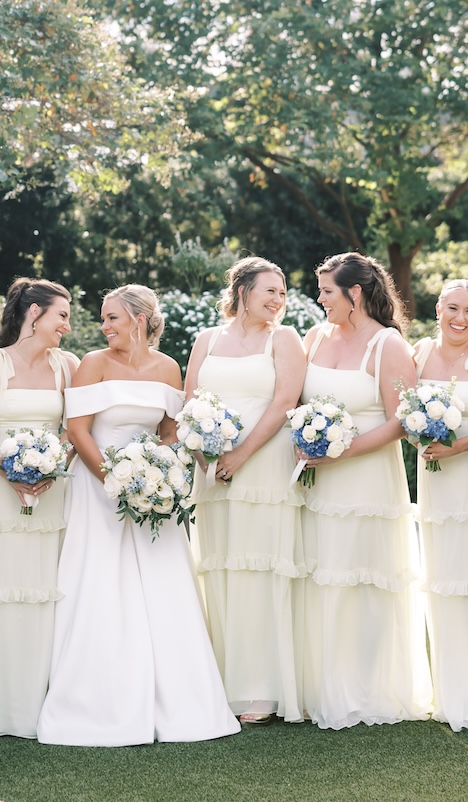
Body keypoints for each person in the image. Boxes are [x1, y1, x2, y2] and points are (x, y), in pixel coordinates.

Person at [37, 284, 240, 746]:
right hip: (98, 489)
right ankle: (96, 701)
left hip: (153, 493)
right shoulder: (93, 364)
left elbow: (168, 432)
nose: (103, 326)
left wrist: (158, 472)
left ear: (140, 320)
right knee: (100, 582)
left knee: (163, 584)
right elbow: (78, 432)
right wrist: (114, 479)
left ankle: (178, 700)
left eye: (112, 317)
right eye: (103, 318)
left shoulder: (167, 367)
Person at [299, 252, 432, 729]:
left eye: (327, 291)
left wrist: (343, 451)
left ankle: (368, 687)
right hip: (318, 480)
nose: (320, 299)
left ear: (354, 293)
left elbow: (402, 420)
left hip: (367, 477)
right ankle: (323, 683)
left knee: (364, 577)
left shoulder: (388, 345)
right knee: (323, 574)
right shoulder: (314, 337)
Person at [184, 257, 306, 725]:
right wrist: (205, 456)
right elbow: (190, 400)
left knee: (259, 566)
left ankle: (261, 686)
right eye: (269, 290)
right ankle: (222, 679)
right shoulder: (206, 339)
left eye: (282, 292)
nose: (278, 299)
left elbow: (285, 402)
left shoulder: (284, 338)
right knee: (221, 565)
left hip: (263, 465)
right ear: (242, 291)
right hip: (212, 468)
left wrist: (240, 456)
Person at [0, 278, 78, 738]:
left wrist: (53, 466)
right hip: (0, 492)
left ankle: (47, 700)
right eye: (61, 316)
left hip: (51, 493)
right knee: (6, 585)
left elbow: (73, 429)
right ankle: (3, 705)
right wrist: (9, 473)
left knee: (48, 587)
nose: (67, 326)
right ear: (34, 313)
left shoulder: (68, 366)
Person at [414, 279, 468, 732]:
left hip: (463, 471)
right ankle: (451, 695)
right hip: (434, 484)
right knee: (443, 581)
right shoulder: (418, 354)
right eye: (453, 308)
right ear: (438, 308)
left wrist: (457, 446)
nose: (461, 319)